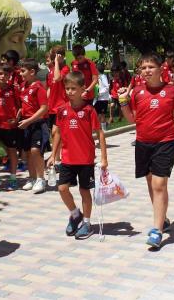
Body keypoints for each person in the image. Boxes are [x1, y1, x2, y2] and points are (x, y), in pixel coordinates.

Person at [119, 52, 174, 248]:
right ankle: (161, 218)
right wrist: (122, 101)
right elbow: (132, 120)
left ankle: (157, 230)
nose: (147, 71)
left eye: (151, 67)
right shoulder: (137, 92)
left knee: (159, 184)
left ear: (161, 69)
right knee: (151, 182)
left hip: (166, 142)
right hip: (143, 143)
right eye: (143, 68)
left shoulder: (171, 91)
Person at [48, 71, 108, 239]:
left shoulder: (89, 110)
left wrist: (104, 158)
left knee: (84, 191)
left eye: (74, 88)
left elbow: (100, 133)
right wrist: (53, 155)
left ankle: (87, 223)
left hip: (85, 159)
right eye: (67, 88)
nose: (70, 92)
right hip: (67, 158)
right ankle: (75, 214)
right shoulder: (62, 110)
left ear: (83, 89)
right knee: (62, 188)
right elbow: (58, 133)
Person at [0, 63, 21, 193]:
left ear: (9, 75)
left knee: (12, 151)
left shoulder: (13, 89)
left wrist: (17, 119)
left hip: (10, 125)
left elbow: (20, 107)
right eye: (0, 73)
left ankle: (13, 178)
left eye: (6, 74)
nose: (3, 76)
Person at [18, 58, 50, 194]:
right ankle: (31, 178)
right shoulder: (23, 86)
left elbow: (44, 108)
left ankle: (41, 178)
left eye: (23, 71)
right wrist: (20, 111)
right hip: (26, 123)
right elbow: (27, 104)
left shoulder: (38, 88)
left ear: (32, 72)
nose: (20, 73)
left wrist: (30, 120)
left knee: (36, 151)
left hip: (37, 124)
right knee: (28, 152)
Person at [94, 63, 110, 131]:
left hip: (103, 99)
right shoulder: (97, 76)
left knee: (102, 114)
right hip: (98, 99)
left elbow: (106, 87)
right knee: (97, 114)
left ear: (97, 69)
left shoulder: (103, 76)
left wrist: (100, 93)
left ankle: (104, 130)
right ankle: (99, 129)